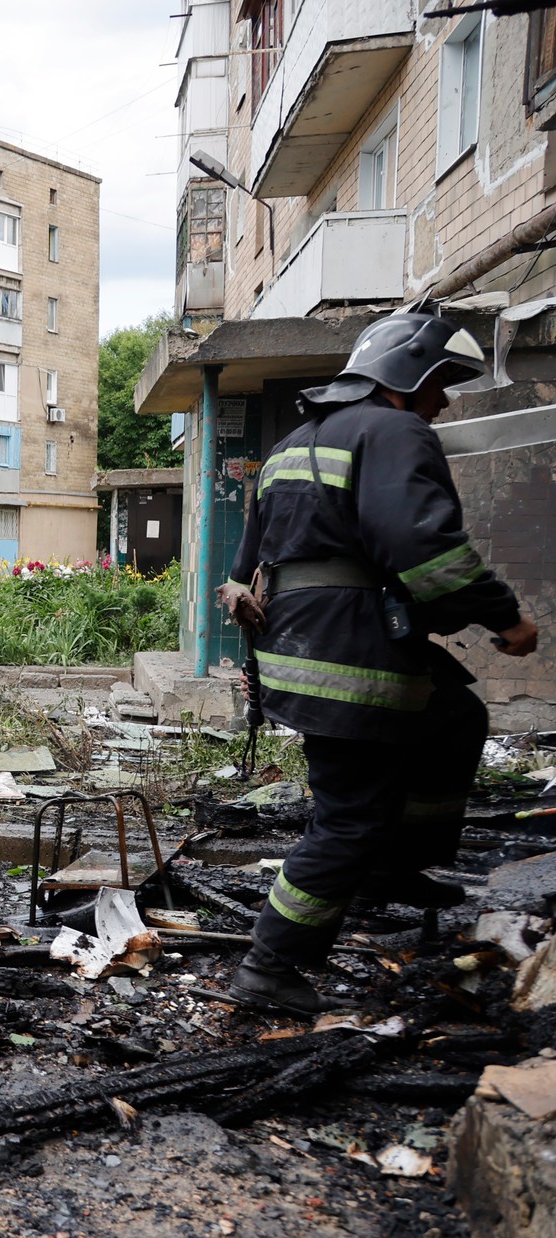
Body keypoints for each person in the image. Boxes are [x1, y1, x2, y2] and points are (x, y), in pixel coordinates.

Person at [217, 311, 538, 1015]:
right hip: (352, 661)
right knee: (348, 816)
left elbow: (244, 573)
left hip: (303, 655)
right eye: (439, 386)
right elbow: (428, 554)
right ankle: (271, 961)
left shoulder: (289, 447)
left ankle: (390, 869)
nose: (444, 402)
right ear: (405, 379)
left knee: (455, 715)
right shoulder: (395, 431)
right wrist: (505, 615)